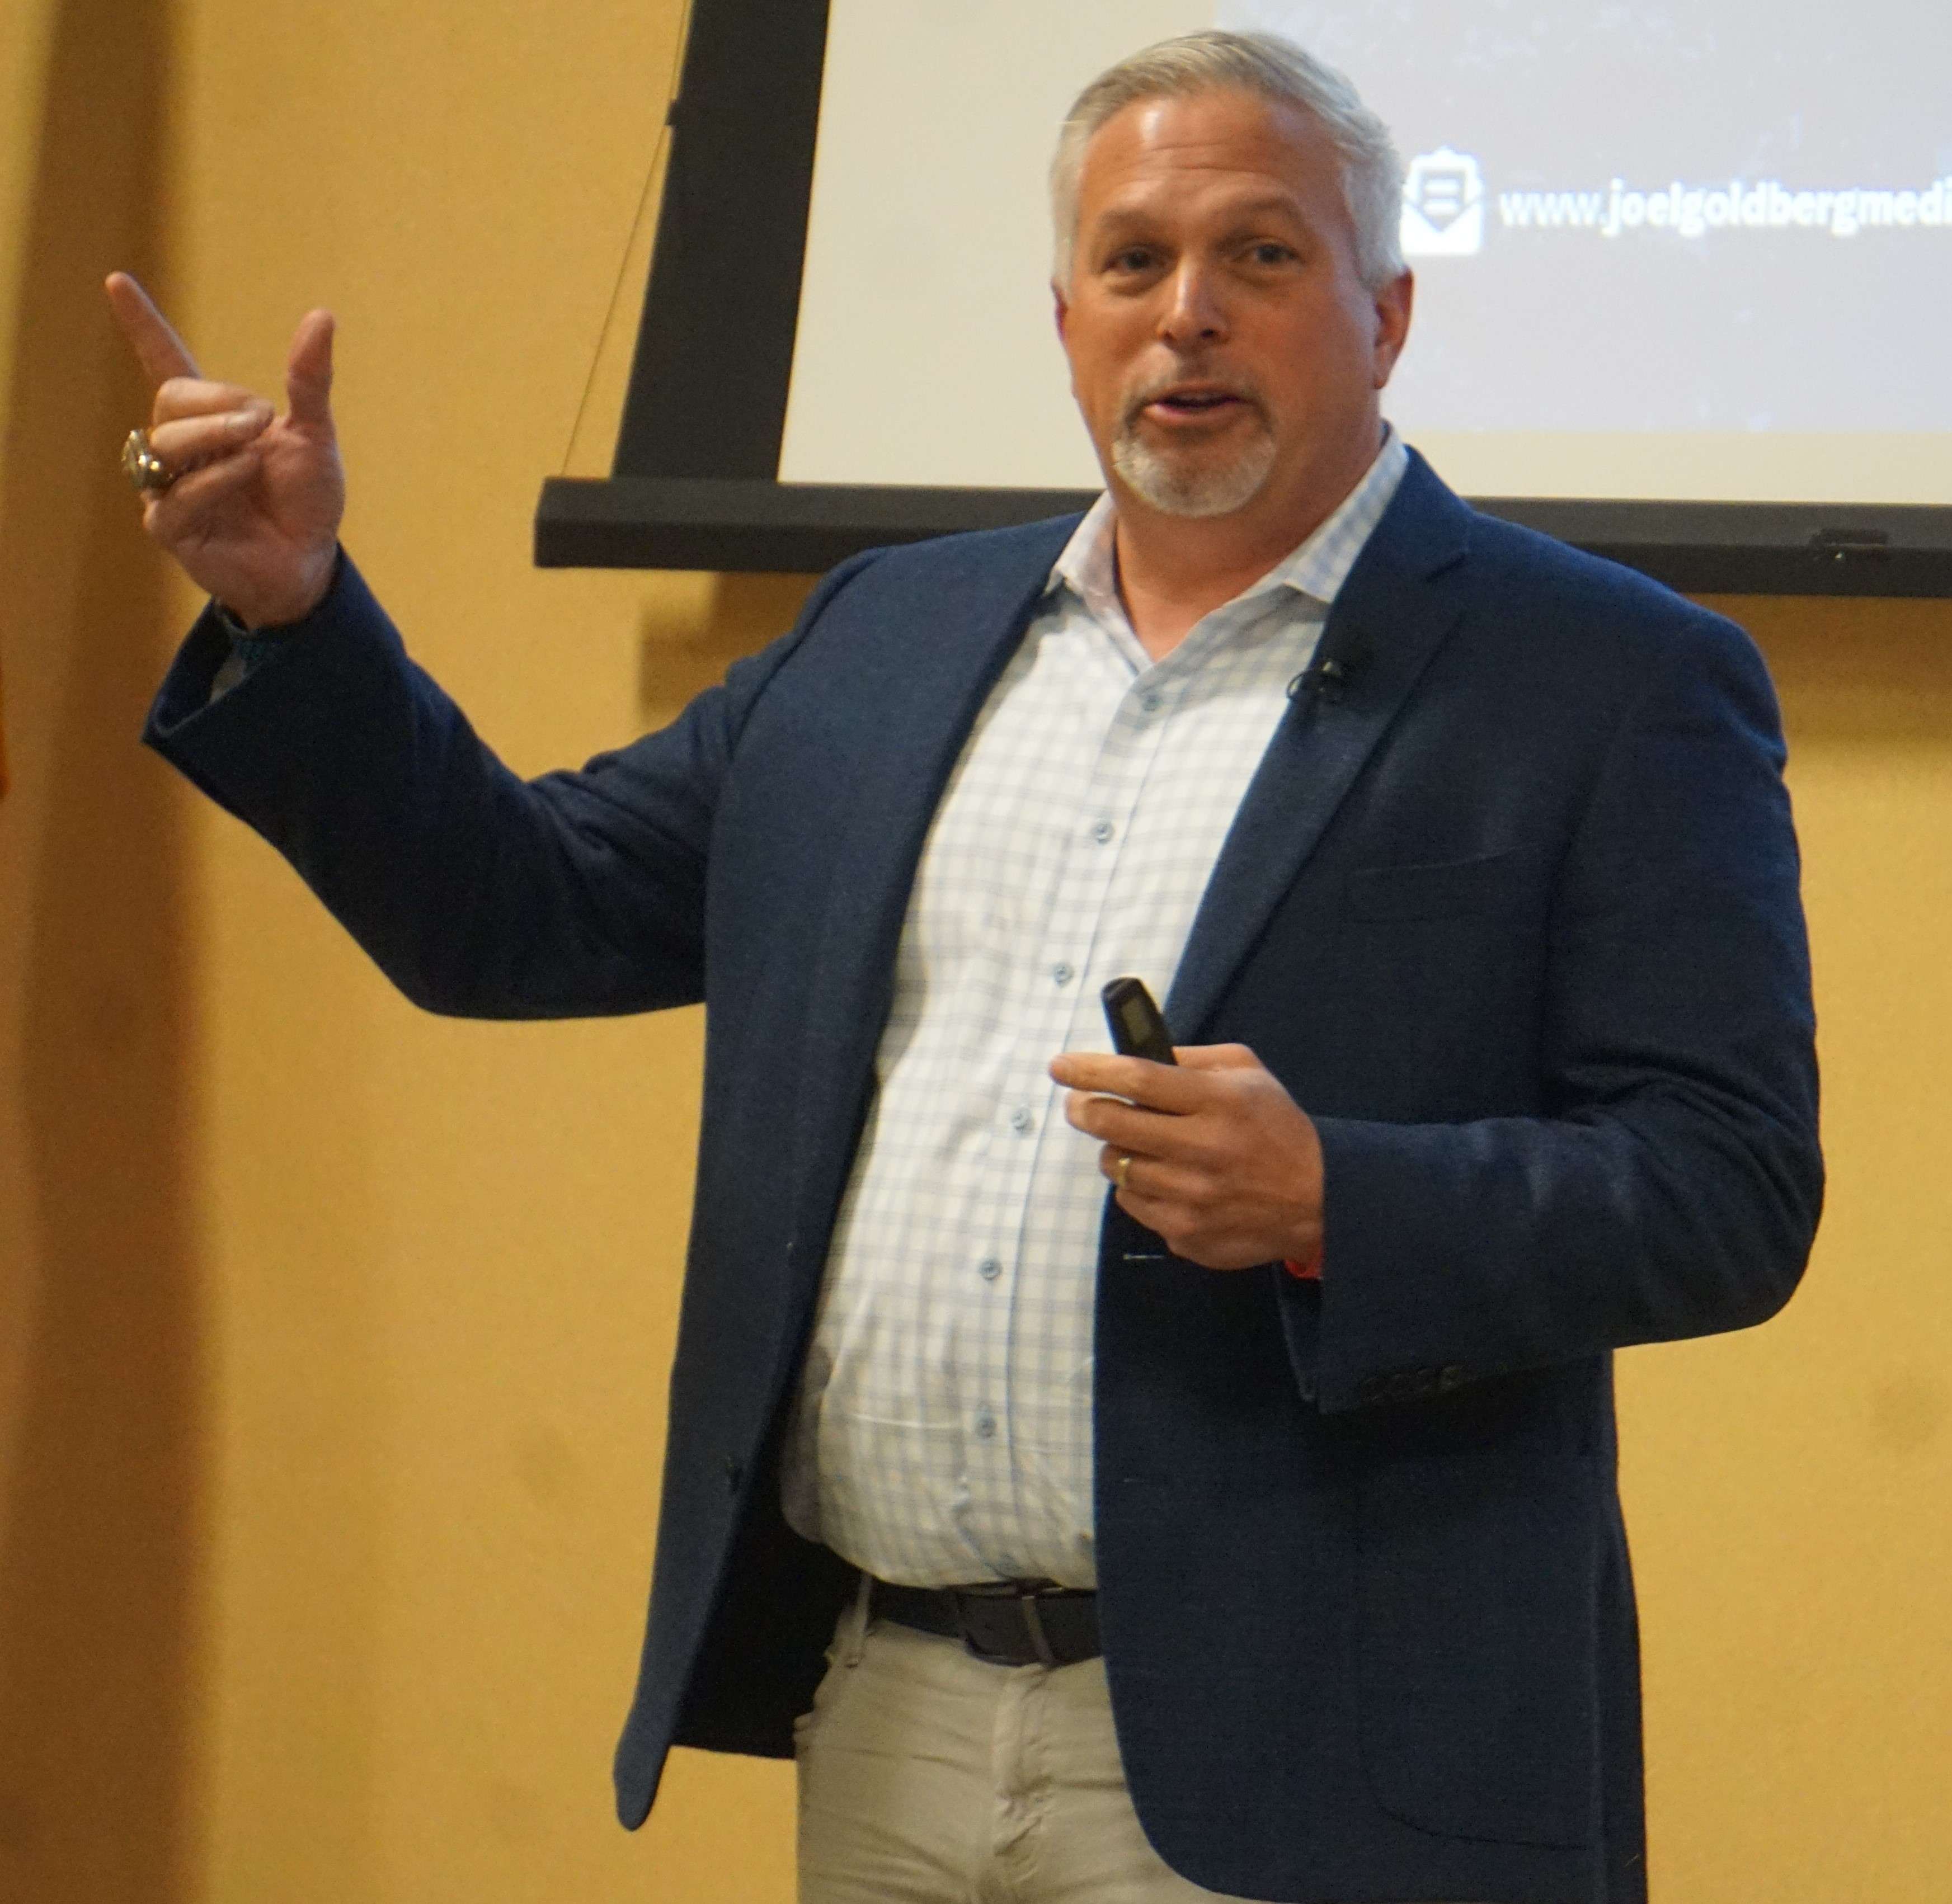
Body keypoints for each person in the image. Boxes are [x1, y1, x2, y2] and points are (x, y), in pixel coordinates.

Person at [108, 29, 1820, 1904]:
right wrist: (297, 613)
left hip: (1318, 1746)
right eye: (1133, 261)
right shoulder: (887, 634)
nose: (1186, 316)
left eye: (1260, 256)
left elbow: (1725, 1185)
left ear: (1385, 313)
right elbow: (523, 909)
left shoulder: (1601, 680)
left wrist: (1344, 1196)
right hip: (890, 1705)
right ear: (1066, 314)